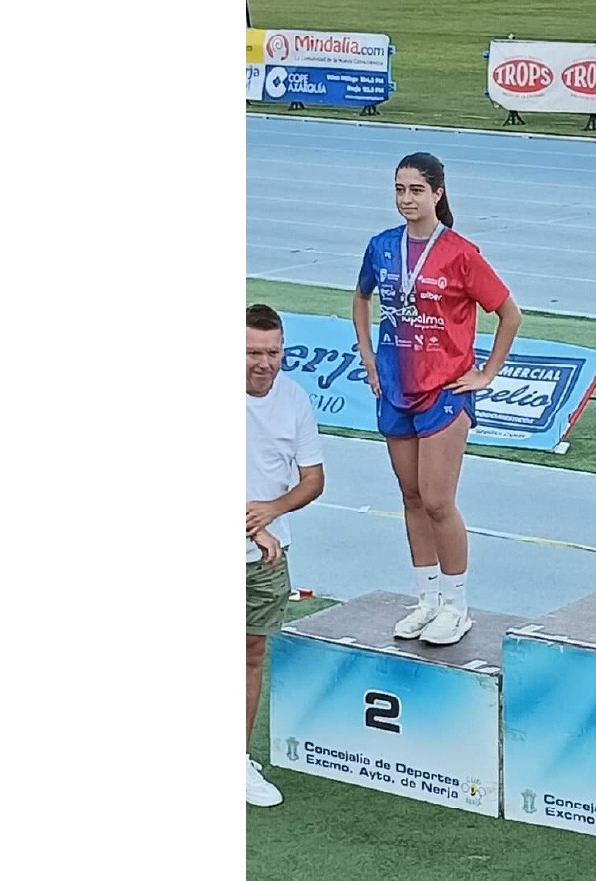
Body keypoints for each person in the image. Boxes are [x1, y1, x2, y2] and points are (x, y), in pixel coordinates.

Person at [352, 151, 522, 646]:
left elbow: (510, 314)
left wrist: (486, 372)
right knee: (410, 497)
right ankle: (426, 600)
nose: (407, 200)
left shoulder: (460, 253)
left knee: (438, 500)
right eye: (400, 190)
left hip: (444, 390)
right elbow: (360, 298)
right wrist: (368, 358)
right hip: (395, 384)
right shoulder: (382, 247)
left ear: (438, 194)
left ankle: (456, 604)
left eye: (417, 190)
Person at [245, 303, 326, 807]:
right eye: (253, 352)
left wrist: (272, 511)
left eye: (273, 352)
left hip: (267, 558)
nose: (264, 362)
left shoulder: (294, 400)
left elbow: (313, 479)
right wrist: (256, 529)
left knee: (251, 654)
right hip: (259, 543)